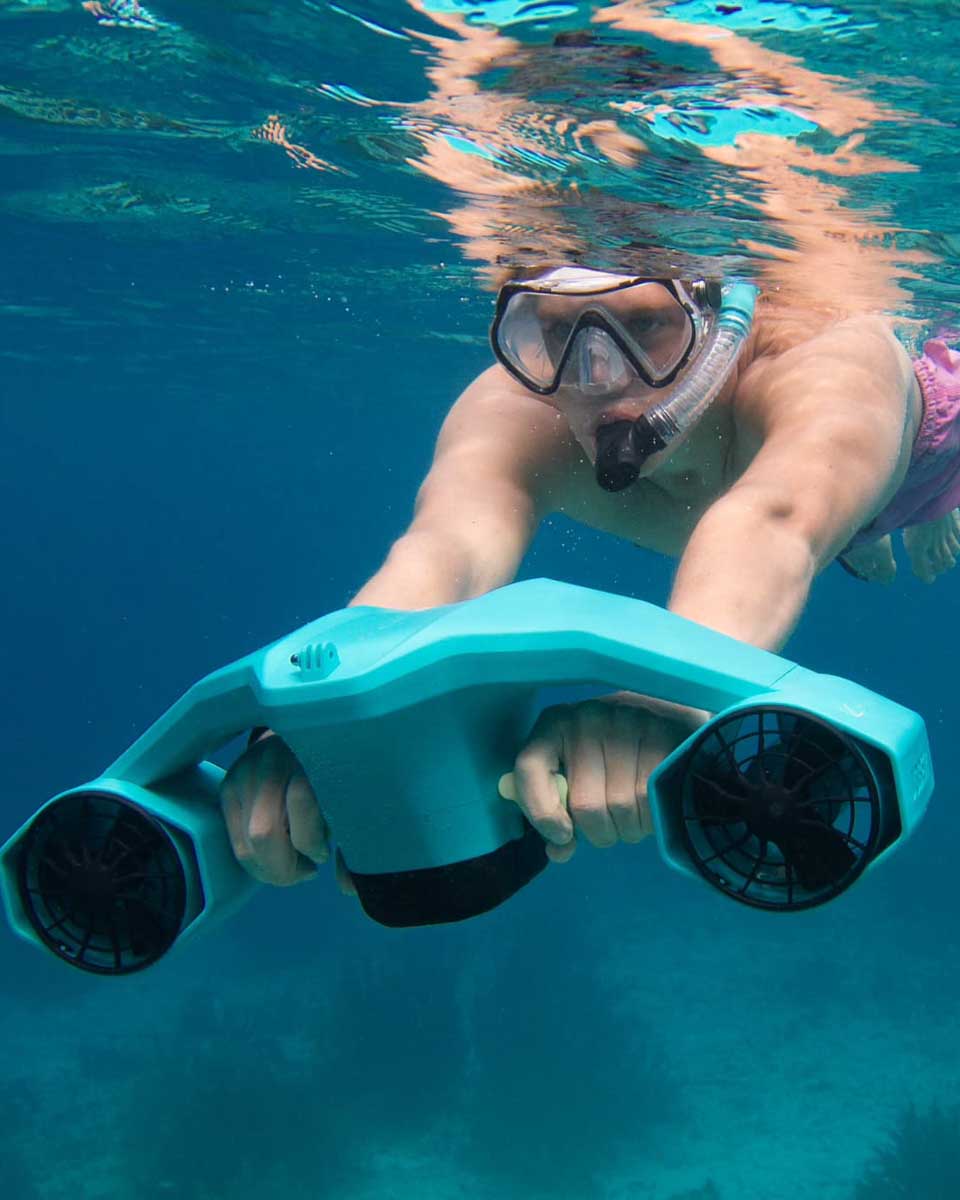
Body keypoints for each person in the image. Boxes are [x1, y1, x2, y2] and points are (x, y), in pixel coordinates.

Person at [220, 262, 960, 893]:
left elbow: (774, 522)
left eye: (647, 325)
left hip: (926, 451)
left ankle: (910, 520)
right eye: (554, 333)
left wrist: (663, 695)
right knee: (845, 527)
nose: (596, 376)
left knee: (858, 509)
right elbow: (443, 550)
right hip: (829, 501)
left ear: (721, 317)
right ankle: (861, 538)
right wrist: (323, 713)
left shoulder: (828, 359)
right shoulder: (521, 407)